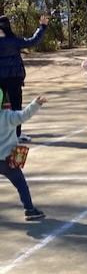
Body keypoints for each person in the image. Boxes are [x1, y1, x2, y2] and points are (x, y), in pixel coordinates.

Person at [0, 14, 49, 143]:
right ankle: (16, 134)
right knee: (16, 106)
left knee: (2, 107)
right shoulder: (14, 41)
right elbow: (33, 41)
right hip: (14, 78)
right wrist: (42, 27)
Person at [0, 89, 47, 221]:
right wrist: (35, 104)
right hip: (8, 160)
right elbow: (24, 115)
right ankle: (29, 210)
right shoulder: (8, 116)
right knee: (21, 184)